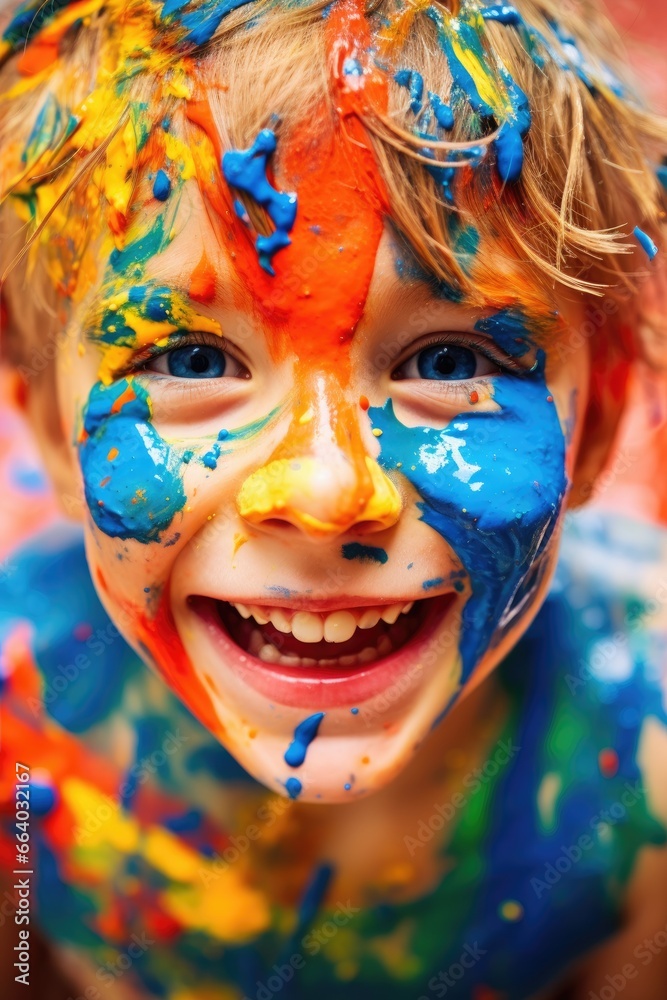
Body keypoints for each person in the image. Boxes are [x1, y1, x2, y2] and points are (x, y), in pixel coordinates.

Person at [0, 0, 666, 996]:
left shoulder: (641, 772)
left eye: (449, 359)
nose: (323, 489)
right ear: (51, 429)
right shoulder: (20, 753)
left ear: (601, 418)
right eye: (189, 357)